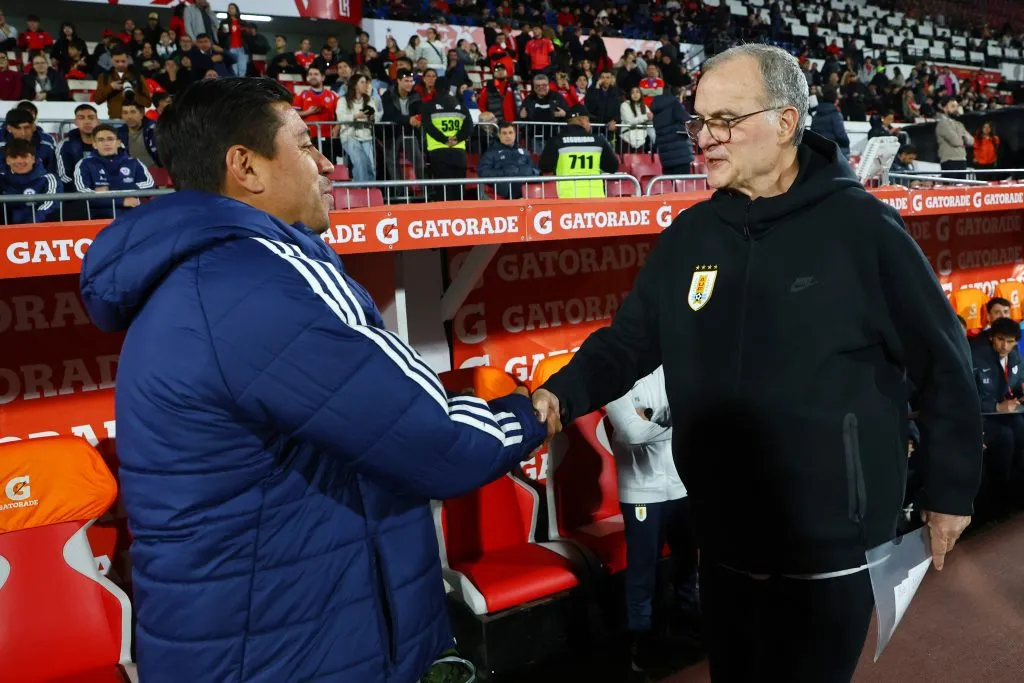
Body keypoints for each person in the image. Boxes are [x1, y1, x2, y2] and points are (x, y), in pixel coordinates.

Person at [530, 44, 982, 683]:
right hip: (723, 543)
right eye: (698, 122)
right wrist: (558, 395)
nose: (704, 139)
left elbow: (945, 363)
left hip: (833, 544)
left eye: (725, 121)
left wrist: (950, 492)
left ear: (786, 122)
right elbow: (627, 343)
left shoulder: (865, 229)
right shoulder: (689, 238)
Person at [78, 77, 547, 683]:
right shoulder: (255, 279)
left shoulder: (203, 276)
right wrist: (533, 410)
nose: (328, 163)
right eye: (304, 145)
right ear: (245, 167)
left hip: (260, 639)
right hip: (289, 651)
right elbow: (438, 441)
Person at [605, 366, 698, 678]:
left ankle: (689, 630)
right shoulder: (614, 371)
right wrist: (676, 419)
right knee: (643, 573)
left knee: (687, 564)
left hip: (682, 484)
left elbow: (698, 409)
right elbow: (631, 432)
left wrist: (653, 417)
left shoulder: (673, 366)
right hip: (641, 491)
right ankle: (641, 646)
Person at [73, 123, 154, 218]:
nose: (106, 143)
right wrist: (122, 201)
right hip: (98, 219)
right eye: (101, 140)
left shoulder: (134, 162)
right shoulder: (84, 164)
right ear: (94, 144)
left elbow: (149, 186)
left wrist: (108, 189)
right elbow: (83, 195)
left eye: (110, 139)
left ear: (118, 142)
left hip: (132, 217)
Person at [539, 104, 618, 199]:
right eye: (588, 120)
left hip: (568, 198)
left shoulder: (557, 141)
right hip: (595, 197)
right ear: (582, 120)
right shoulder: (598, 141)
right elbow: (613, 167)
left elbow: (544, 166)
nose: (589, 124)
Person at [422, 89, 473, 201]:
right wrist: (457, 139)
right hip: (458, 151)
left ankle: (444, 215)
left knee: (443, 188)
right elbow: (469, 127)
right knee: (458, 188)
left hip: (437, 151)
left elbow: (428, 127)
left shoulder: (429, 106)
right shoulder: (461, 107)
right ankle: (458, 214)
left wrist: (444, 140)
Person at [0, 138, 58, 224]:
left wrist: (29, 226)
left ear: (33, 159)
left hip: (38, 229)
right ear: (7, 160)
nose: (19, 161)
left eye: (24, 156)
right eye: (14, 157)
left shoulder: (48, 179)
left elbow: (52, 204)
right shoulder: (2, 178)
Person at [476, 120, 538, 199]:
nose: (508, 136)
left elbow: (536, 170)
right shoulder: (491, 153)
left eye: (510, 133)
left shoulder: (523, 151)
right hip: (506, 187)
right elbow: (483, 172)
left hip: (526, 185)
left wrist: (529, 171)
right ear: (499, 135)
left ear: (515, 134)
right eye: (504, 133)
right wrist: (504, 172)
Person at [651, 86, 694, 176]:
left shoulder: (656, 111)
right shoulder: (674, 105)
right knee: (682, 187)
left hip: (665, 156)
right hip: (680, 154)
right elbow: (688, 122)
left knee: (670, 187)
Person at [936, 95, 973, 177]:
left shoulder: (959, 124)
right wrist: (963, 138)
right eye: (952, 106)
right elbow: (955, 141)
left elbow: (971, 141)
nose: (956, 109)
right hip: (950, 161)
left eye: (956, 106)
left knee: (962, 187)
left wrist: (963, 138)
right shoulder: (942, 124)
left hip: (962, 159)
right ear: (945, 109)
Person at [810, 86, 849, 157]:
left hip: (817, 150)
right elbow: (840, 135)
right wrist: (847, 143)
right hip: (832, 150)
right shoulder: (835, 115)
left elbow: (812, 132)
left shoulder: (816, 114)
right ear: (835, 99)